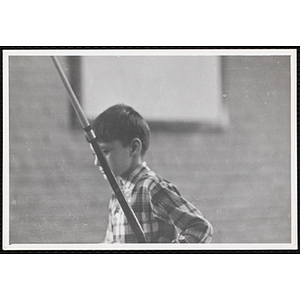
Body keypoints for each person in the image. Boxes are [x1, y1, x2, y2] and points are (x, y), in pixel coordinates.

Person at [91, 104, 213, 243]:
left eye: (105, 151)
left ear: (134, 148)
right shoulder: (117, 194)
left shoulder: (151, 186)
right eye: (94, 154)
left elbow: (200, 228)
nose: (97, 162)